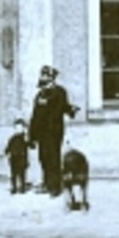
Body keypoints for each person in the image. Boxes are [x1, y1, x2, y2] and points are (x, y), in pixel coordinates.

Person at [28, 65, 79, 197]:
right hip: (41, 133)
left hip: (53, 132)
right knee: (43, 157)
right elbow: (35, 115)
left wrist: (70, 110)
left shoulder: (59, 92)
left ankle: (55, 186)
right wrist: (32, 134)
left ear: (51, 78)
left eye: (45, 75)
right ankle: (46, 183)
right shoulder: (40, 94)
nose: (43, 77)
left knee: (53, 158)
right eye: (42, 75)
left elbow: (58, 111)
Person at [4, 118, 32, 194]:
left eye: (20, 128)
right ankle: (14, 187)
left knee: (22, 174)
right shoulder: (12, 139)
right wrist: (6, 152)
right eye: (16, 128)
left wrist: (29, 141)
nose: (18, 129)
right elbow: (8, 147)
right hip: (14, 158)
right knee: (14, 174)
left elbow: (31, 145)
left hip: (22, 158)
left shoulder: (24, 138)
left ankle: (22, 187)